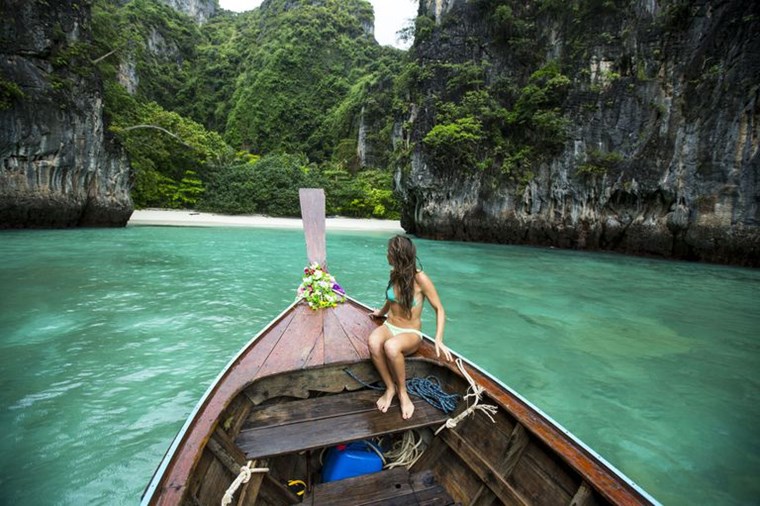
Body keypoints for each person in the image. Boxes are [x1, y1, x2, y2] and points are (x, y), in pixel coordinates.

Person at [368, 235, 452, 420]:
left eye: (389, 251)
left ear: (398, 255)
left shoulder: (420, 278)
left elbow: (439, 309)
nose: (386, 254)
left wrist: (438, 339)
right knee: (373, 342)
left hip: (410, 333)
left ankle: (403, 393)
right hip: (389, 325)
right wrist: (380, 313)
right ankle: (390, 387)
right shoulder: (394, 274)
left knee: (391, 347)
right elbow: (390, 300)